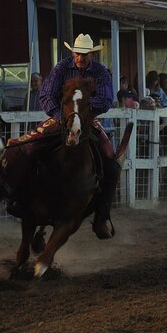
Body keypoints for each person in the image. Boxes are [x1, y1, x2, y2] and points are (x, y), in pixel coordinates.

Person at [36, 34, 118, 239]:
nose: (80, 57)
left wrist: (83, 114)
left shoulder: (99, 72)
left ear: (91, 54)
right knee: (34, 148)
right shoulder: (61, 68)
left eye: (84, 54)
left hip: (87, 120)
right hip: (61, 118)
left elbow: (107, 99)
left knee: (111, 165)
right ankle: (26, 199)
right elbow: (46, 95)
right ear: (73, 52)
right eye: (77, 53)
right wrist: (60, 115)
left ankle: (102, 215)